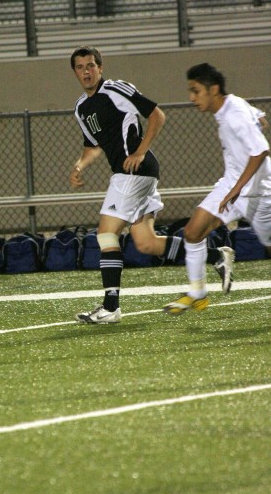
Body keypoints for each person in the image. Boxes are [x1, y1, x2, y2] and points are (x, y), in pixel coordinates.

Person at [69, 46, 234, 324]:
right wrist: (79, 166)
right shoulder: (81, 109)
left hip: (134, 172)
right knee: (147, 243)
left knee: (106, 234)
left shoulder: (115, 89)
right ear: (74, 72)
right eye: (80, 67)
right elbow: (92, 146)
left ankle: (110, 308)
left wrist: (141, 151)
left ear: (100, 67)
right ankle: (216, 254)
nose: (86, 71)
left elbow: (157, 114)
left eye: (90, 66)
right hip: (134, 175)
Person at [164, 62, 270, 315]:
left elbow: (261, 151)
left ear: (214, 90)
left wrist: (236, 190)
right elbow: (259, 117)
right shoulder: (232, 105)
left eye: (196, 91)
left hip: (259, 193)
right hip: (232, 184)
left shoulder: (233, 115)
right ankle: (197, 294)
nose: (191, 98)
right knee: (192, 231)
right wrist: (258, 121)